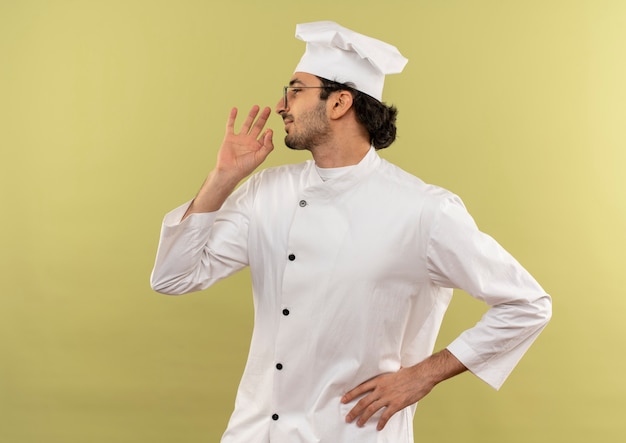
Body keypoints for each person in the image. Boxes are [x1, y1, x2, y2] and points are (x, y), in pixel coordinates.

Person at [150, 20, 551, 443]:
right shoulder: (267, 191)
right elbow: (173, 277)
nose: (282, 105)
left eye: (295, 90)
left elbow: (527, 304)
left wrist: (423, 376)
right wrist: (221, 179)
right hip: (253, 433)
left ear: (340, 102)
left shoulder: (423, 209)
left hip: (352, 434)